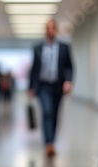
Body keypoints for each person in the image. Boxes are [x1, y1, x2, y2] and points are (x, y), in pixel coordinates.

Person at [28, 19, 74, 157]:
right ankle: (48, 143)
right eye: (48, 28)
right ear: (45, 30)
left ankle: (51, 141)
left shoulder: (64, 47)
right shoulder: (38, 48)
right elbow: (34, 69)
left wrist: (68, 81)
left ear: (56, 30)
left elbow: (69, 66)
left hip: (58, 86)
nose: (51, 30)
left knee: (54, 114)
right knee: (47, 111)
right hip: (43, 86)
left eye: (53, 28)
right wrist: (31, 87)